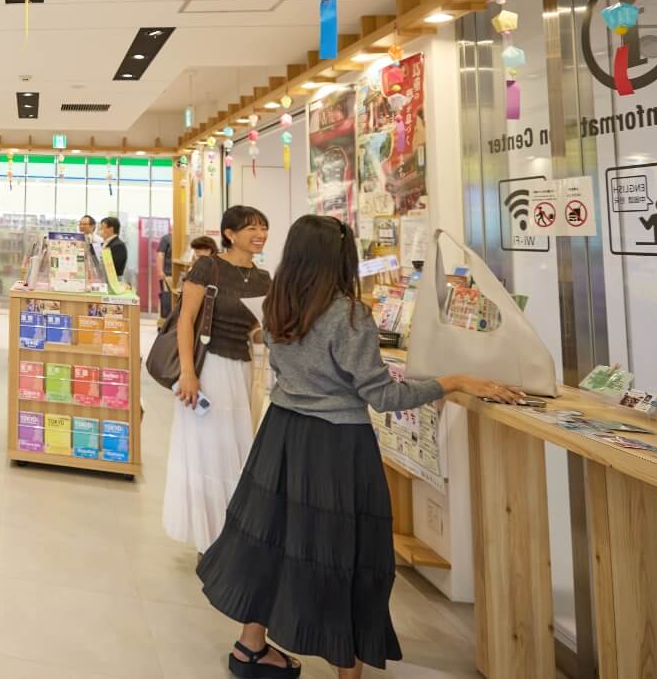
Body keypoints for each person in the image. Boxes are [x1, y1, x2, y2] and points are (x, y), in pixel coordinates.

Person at [197, 215, 523, 679]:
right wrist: (452, 381)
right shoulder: (347, 316)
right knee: (342, 552)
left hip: (283, 436)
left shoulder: (276, 306)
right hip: (337, 447)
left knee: (272, 538)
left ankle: (251, 648)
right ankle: (347, 668)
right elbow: (383, 396)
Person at [163, 205, 271, 554]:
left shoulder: (263, 278)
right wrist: (188, 373)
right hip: (206, 368)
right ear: (230, 233)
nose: (260, 234)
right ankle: (206, 537)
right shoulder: (208, 267)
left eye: (263, 228)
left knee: (236, 449)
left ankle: (228, 533)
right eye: (251, 228)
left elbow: (255, 331)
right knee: (206, 449)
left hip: (242, 369)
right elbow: (185, 320)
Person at [99, 216, 129, 282]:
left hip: (114, 282)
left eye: (102, 227)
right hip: (104, 280)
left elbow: (114, 267)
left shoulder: (118, 245)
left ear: (111, 229)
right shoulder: (104, 243)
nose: (100, 230)